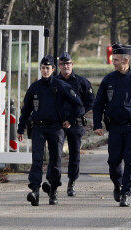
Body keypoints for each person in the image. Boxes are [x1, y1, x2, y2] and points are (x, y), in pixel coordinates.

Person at [92, 44, 131, 207]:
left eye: (116, 60)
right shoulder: (108, 80)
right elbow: (98, 104)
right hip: (114, 126)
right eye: (113, 59)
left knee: (130, 160)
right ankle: (117, 183)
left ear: (126, 60)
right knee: (113, 161)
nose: (113, 62)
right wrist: (97, 124)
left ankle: (126, 192)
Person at [17, 55, 84, 206]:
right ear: (40, 69)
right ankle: (34, 190)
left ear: (53, 69)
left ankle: (53, 189)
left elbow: (78, 104)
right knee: (37, 159)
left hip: (56, 127)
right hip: (38, 127)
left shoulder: (61, 86)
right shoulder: (35, 87)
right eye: (43, 68)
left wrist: (70, 120)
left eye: (48, 68)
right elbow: (26, 110)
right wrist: (20, 129)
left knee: (55, 159)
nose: (45, 70)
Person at [56, 51, 95, 197]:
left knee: (74, 155)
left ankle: (72, 182)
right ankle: (55, 182)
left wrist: (75, 116)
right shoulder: (54, 82)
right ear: (59, 66)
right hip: (58, 124)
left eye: (68, 64)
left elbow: (90, 102)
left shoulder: (81, 82)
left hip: (75, 124)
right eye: (63, 64)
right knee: (56, 154)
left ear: (72, 65)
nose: (66, 66)